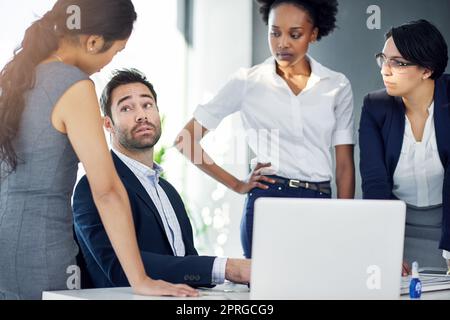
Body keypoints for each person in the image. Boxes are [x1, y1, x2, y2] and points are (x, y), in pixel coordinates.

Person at [0, 0, 197, 300]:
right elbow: (106, 191)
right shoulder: (74, 85)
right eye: (115, 52)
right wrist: (141, 280)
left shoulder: (13, 80)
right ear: (93, 42)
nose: (109, 62)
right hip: (42, 257)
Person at [175, 0, 355, 258]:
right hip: (268, 202)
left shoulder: (336, 85)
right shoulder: (247, 82)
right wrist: (237, 184)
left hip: (320, 201)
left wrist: (344, 219)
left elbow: (345, 165)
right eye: (275, 32)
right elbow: (186, 140)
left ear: (313, 34)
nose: (282, 43)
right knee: (267, 290)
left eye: (295, 34)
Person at [72, 69, 251, 288]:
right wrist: (227, 268)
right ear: (108, 124)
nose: (141, 115)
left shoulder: (168, 192)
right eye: (126, 108)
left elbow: (185, 262)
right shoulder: (94, 186)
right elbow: (119, 268)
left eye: (147, 105)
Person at [359, 19, 450, 275]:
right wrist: (384, 245)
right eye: (383, 59)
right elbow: (374, 182)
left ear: (426, 70)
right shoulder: (374, 106)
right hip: (398, 229)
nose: (385, 70)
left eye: (397, 63)